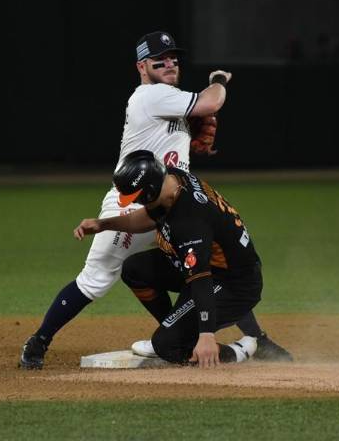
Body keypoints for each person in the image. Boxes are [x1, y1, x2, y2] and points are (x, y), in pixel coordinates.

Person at [19, 31, 292, 369]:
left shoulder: (169, 99)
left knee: (209, 268)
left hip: (172, 208)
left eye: (173, 58)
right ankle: (39, 341)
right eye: (158, 60)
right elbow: (212, 102)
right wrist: (219, 79)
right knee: (96, 278)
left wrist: (188, 143)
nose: (169, 63)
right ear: (142, 67)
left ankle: (237, 338)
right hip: (133, 204)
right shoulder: (151, 95)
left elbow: (169, 150)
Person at [74, 150, 282, 367]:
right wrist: (103, 224)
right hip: (212, 268)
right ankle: (175, 330)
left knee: (167, 346)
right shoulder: (171, 179)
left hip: (232, 285)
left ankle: (240, 350)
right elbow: (150, 217)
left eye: (136, 197)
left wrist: (206, 335)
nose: (133, 202)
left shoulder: (189, 221)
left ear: (150, 192)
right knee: (135, 269)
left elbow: (201, 280)